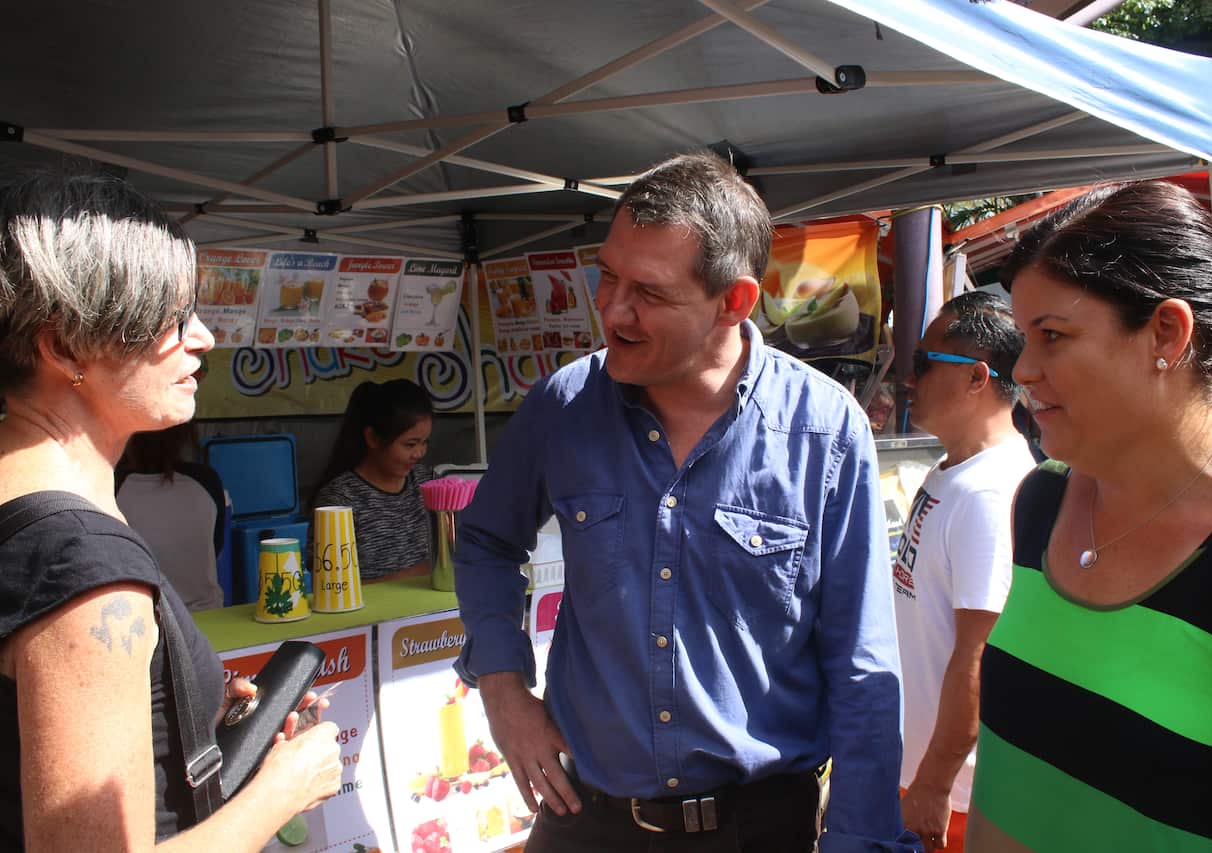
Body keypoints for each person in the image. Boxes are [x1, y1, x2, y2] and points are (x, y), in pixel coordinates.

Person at [452, 151, 918, 852]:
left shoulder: (823, 428)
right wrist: (503, 685)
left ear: (734, 301)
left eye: (649, 291)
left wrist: (859, 839)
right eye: (607, 276)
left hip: (756, 828)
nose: (612, 310)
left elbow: (862, 666)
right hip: (587, 821)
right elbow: (487, 540)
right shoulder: (565, 405)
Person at [0, 171, 342, 851]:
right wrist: (283, 787)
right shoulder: (84, 566)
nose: (205, 338)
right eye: (172, 317)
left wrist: (181, 703)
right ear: (63, 344)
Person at [968, 181, 1212, 852]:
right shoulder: (1040, 500)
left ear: (1165, 332)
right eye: (1024, 336)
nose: (1022, 368)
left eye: (1052, 335)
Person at [893, 291, 1035, 852]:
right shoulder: (954, 471)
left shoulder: (991, 492)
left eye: (925, 363)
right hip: (919, 775)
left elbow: (980, 653)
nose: (909, 377)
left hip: (952, 796)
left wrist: (933, 782)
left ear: (977, 378)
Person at [314, 379, 436, 583]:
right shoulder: (339, 500)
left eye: (425, 442)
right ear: (372, 438)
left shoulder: (429, 482)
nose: (419, 453)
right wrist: (422, 571)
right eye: (410, 444)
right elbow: (331, 586)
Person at [117, 421, 229, 611]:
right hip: (207, 617)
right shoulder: (206, 481)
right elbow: (216, 547)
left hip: (144, 622)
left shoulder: (113, 486)